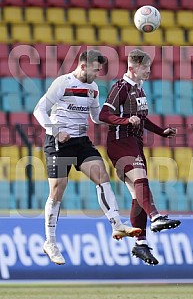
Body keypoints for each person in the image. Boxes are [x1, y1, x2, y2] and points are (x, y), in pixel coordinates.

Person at [33, 49, 141, 265]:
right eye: (96, 69)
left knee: (102, 176)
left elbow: (96, 117)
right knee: (57, 189)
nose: (98, 73)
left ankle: (116, 224)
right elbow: (39, 110)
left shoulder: (92, 88)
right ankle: (50, 242)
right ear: (83, 66)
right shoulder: (62, 83)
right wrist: (55, 130)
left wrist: (121, 120)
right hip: (58, 142)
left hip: (80, 142)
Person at [99, 48, 181, 265]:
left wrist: (161, 131)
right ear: (132, 68)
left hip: (135, 144)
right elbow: (104, 115)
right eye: (145, 68)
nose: (149, 71)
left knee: (138, 195)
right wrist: (125, 121)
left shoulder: (139, 90)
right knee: (141, 181)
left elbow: (141, 119)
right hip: (119, 143)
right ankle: (155, 218)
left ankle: (140, 244)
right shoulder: (121, 87)